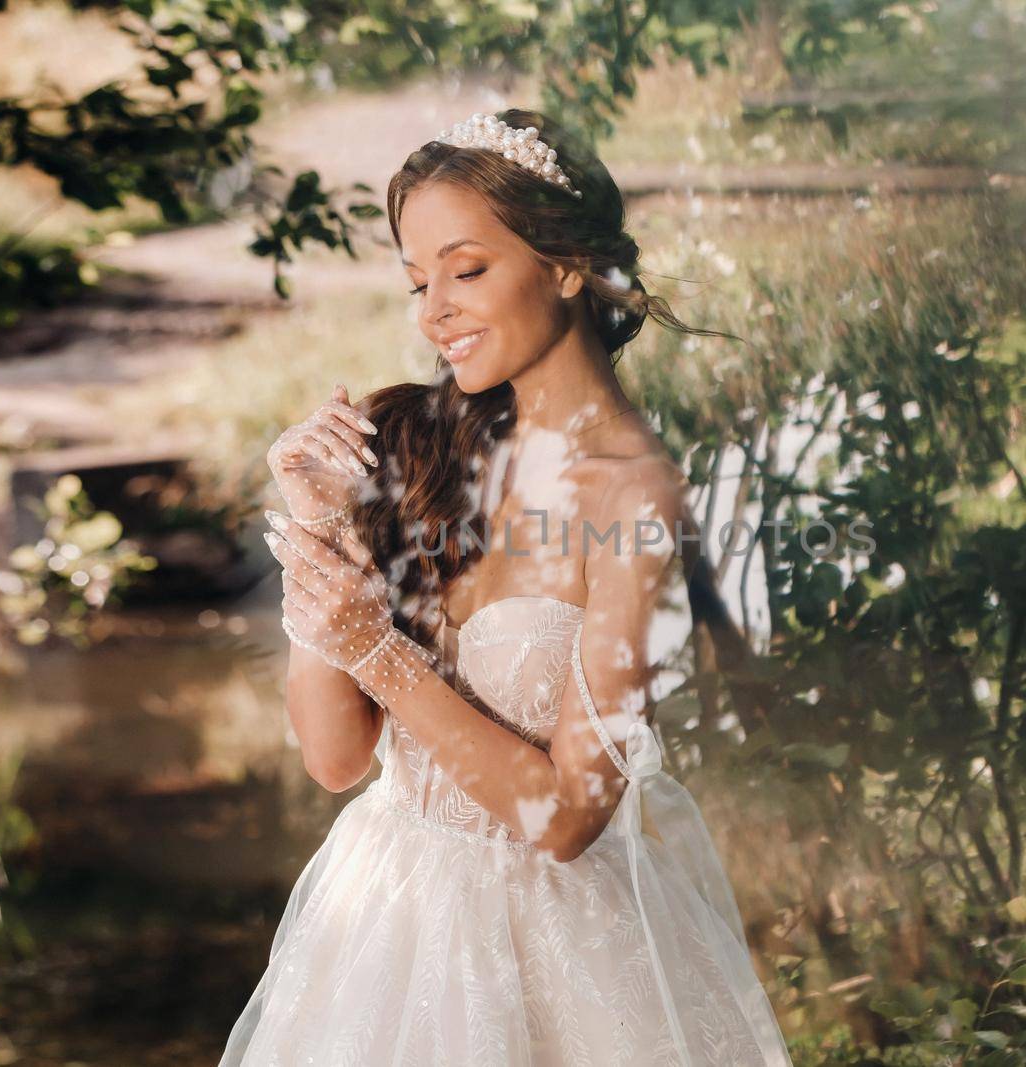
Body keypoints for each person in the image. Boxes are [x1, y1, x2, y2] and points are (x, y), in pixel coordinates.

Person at [220, 108, 792, 1066]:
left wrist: (378, 649)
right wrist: (317, 521)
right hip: (382, 922)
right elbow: (333, 757)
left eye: (467, 268)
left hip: (557, 950)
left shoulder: (635, 499)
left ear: (565, 265)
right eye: (416, 279)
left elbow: (569, 816)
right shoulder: (415, 443)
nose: (432, 309)